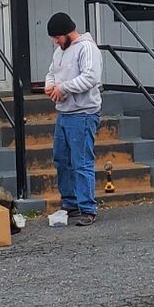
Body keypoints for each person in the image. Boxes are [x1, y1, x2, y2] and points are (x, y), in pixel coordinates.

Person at [42, 12, 103, 226]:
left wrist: (63, 89)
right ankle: (71, 203)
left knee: (81, 161)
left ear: (68, 33)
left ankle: (87, 208)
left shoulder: (87, 48)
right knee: (62, 159)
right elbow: (52, 72)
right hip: (65, 112)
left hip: (83, 113)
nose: (55, 41)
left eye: (57, 37)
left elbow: (90, 77)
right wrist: (50, 86)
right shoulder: (60, 51)